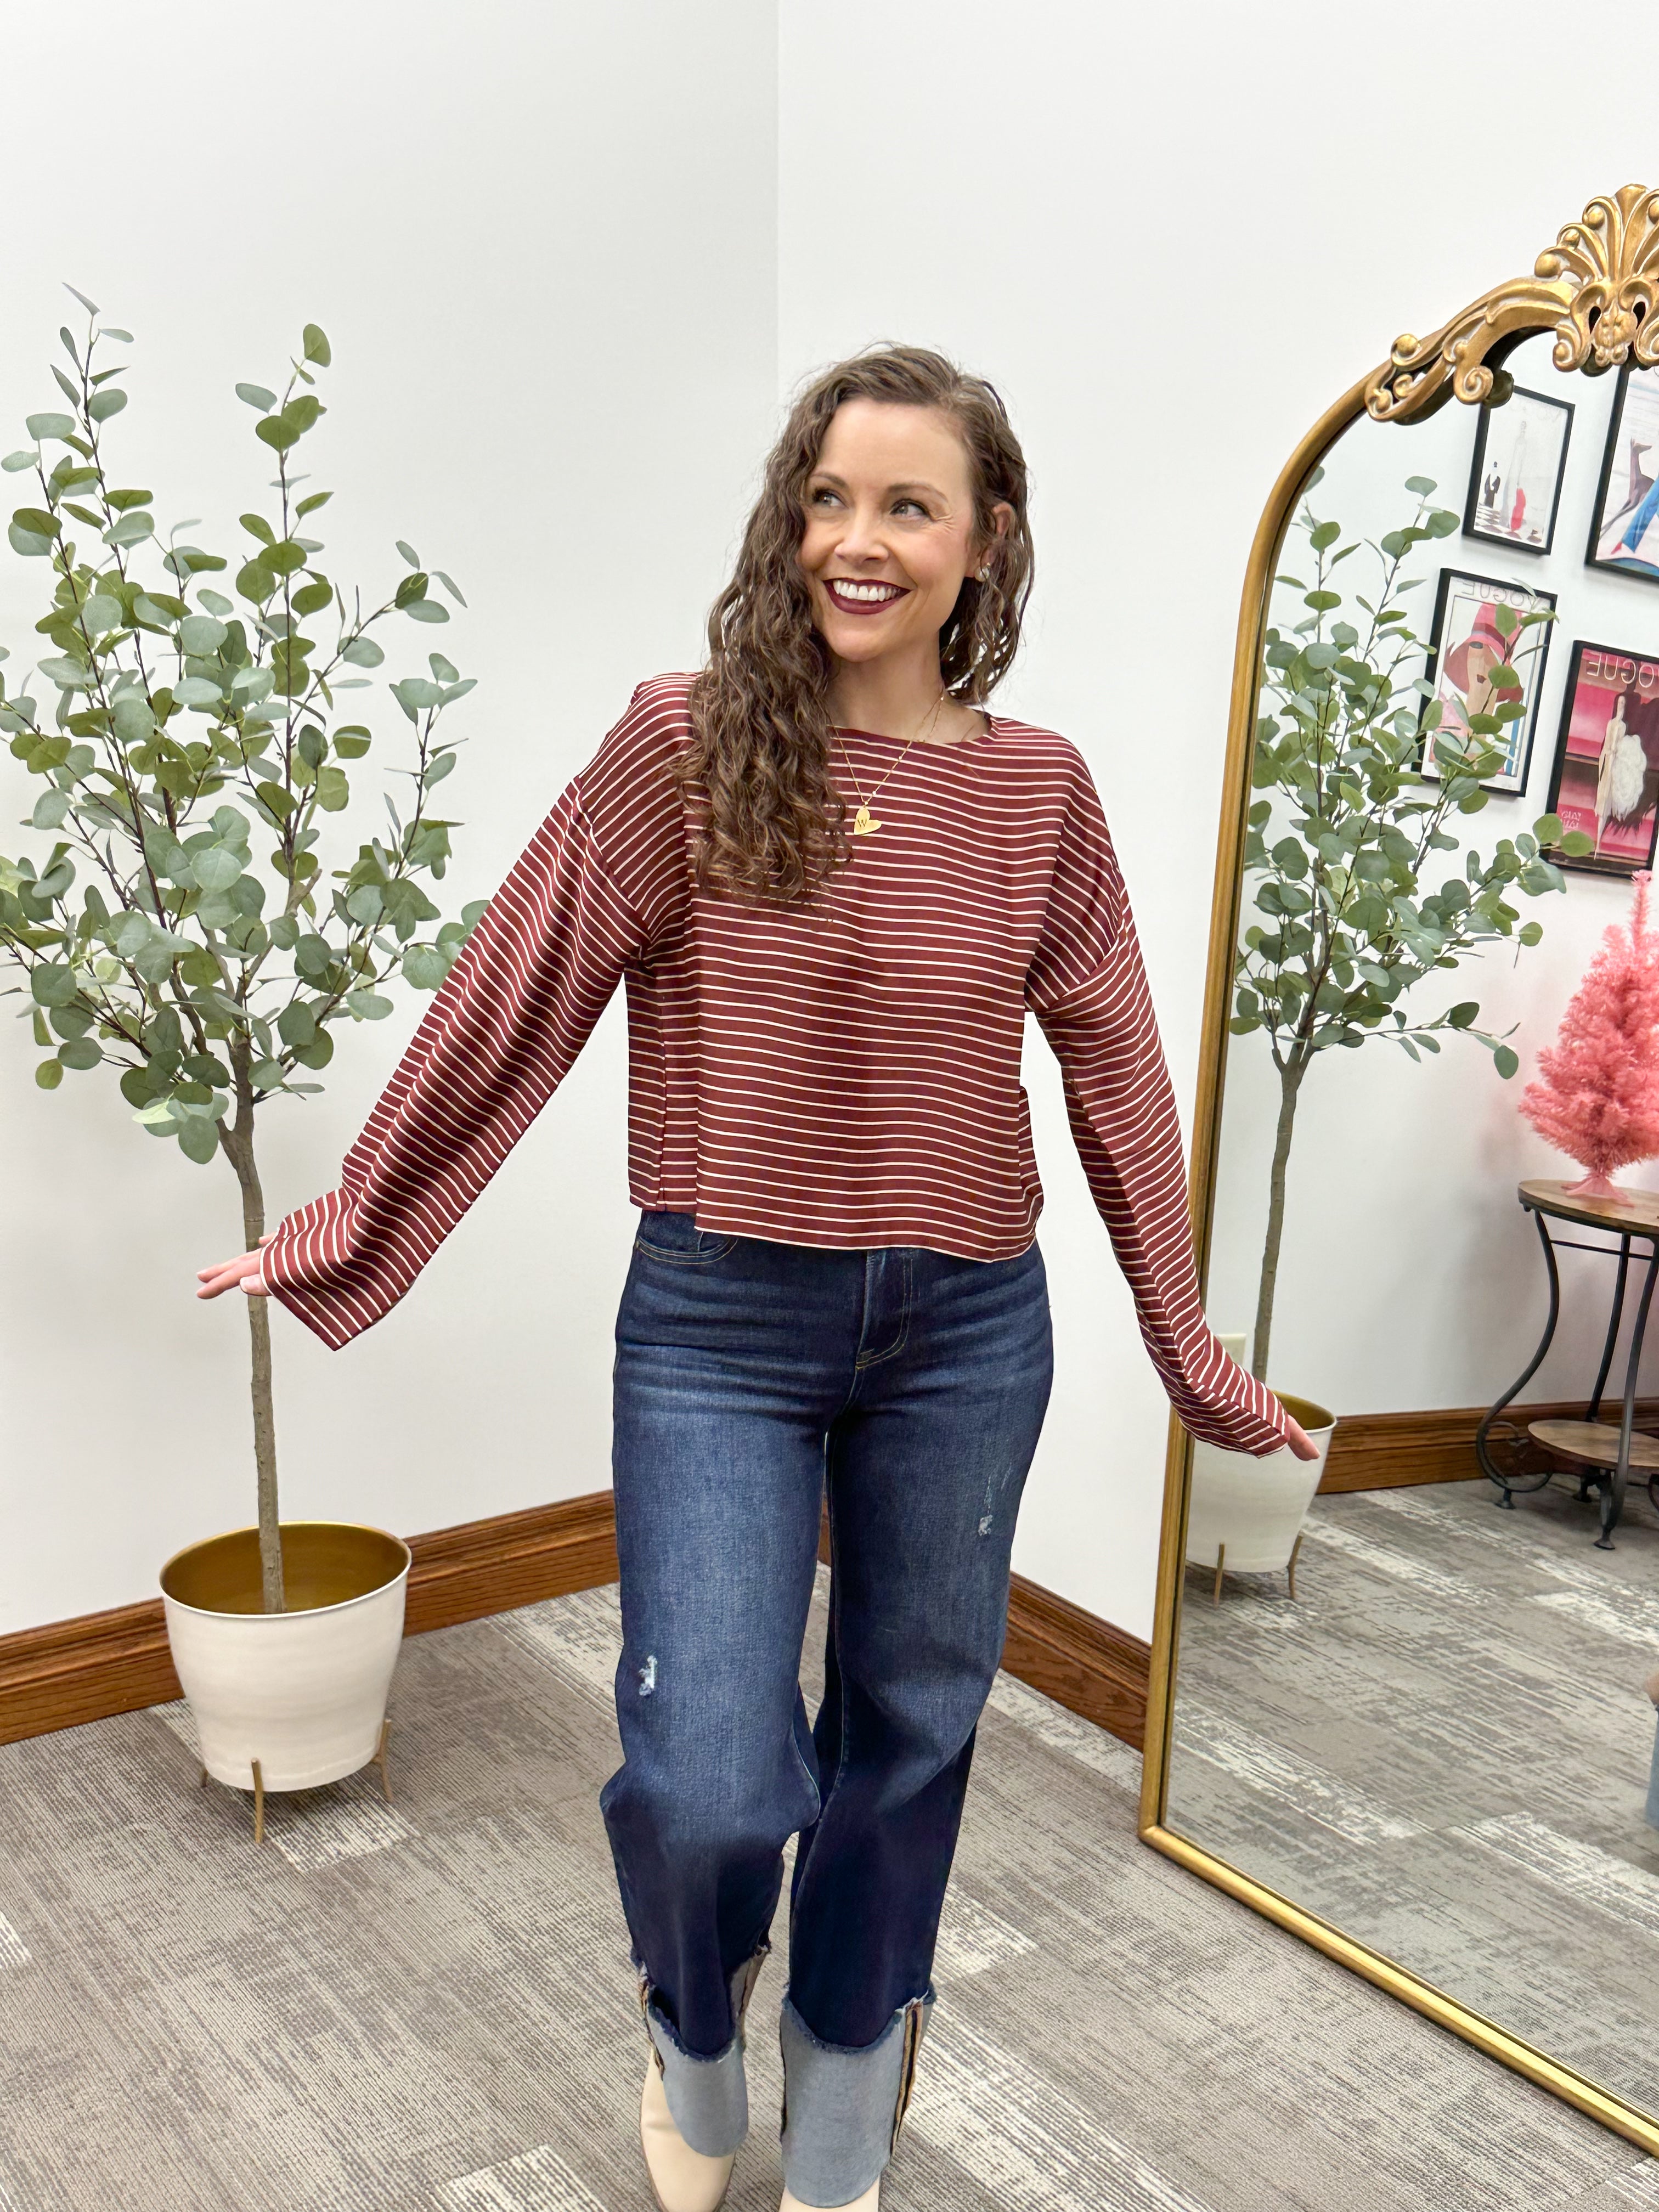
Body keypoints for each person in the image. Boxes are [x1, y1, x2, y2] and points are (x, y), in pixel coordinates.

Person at [198, 346, 1314, 2212]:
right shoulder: (688, 740)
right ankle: (693, 2018)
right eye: (826, 498)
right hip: (721, 1320)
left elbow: (1116, 1056)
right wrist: (347, 1221)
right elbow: (521, 986)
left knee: (912, 1731)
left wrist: (1183, 1336)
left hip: (967, 1329)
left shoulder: (1042, 793)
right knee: (713, 1770)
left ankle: (855, 2091)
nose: (853, 541)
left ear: (987, 542)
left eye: (905, 505)